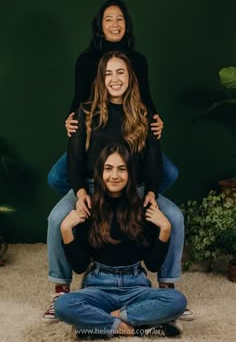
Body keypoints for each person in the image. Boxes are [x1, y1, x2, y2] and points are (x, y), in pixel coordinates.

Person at [43, 51, 190, 322]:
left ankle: (167, 284)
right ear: (101, 79)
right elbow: (74, 160)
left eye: (120, 72)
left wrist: (152, 194)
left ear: (130, 77)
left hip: (133, 186)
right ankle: (61, 291)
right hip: (89, 185)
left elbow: (154, 161)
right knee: (55, 219)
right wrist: (81, 193)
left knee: (175, 218)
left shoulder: (143, 113)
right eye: (108, 73)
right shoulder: (85, 113)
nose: (114, 78)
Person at [47, 0, 178, 197]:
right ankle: (98, 208)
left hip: (130, 128)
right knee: (56, 178)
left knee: (169, 173)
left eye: (120, 19)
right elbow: (78, 99)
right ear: (100, 25)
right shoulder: (86, 60)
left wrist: (156, 119)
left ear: (127, 24)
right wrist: (71, 119)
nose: (115, 24)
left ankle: (129, 207)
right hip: (97, 131)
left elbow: (146, 99)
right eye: (109, 19)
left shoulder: (138, 60)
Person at [55, 143, 187, 339]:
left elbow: (152, 264)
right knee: (62, 306)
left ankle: (102, 324)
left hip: (136, 287)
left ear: (130, 174)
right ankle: (136, 329)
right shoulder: (88, 209)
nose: (114, 175)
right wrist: (66, 230)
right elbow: (79, 266)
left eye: (121, 169)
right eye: (108, 169)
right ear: (99, 173)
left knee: (177, 301)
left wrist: (165, 230)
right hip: (99, 287)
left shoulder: (143, 209)